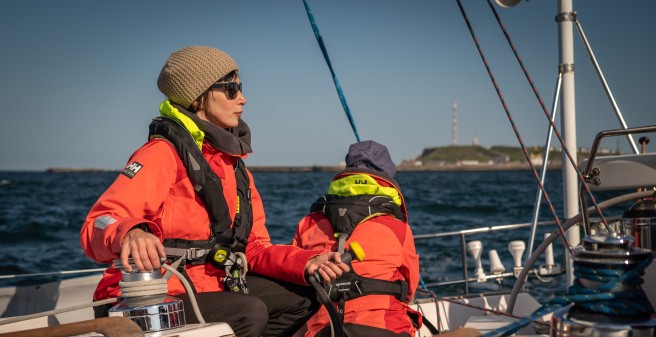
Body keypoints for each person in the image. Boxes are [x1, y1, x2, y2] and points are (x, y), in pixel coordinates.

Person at [80, 45, 348, 337]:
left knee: (308, 296)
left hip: (213, 285)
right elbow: (99, 222)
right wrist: (131, 233)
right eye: (231, 89)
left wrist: (307, 261)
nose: (243, 99)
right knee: (249, 311)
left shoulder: (234, 168)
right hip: (151, 295)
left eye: (241, 87)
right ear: (197, 98)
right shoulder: (161, 154)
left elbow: (255, 248)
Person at [292, 140, 422, 337]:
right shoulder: (398, 227)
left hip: (322, 331)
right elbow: (409, 289)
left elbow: (295, 280)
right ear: (387, 178)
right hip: (385, 328)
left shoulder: (309, 222)